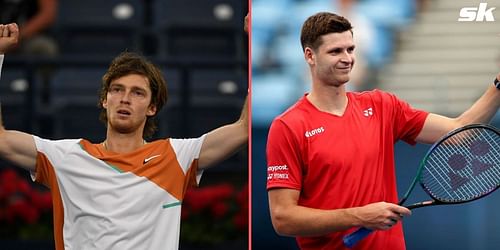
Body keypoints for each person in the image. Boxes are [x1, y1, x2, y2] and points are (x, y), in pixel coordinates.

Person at [0, 22, 248, 250]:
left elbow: (243, 128)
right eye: (117, 89)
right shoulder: (65, 157)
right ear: (104, 100)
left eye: (138, 93)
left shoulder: (176, 156)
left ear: (152, 108)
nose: (125, 98)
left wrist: (252, 43)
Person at [266, 12, 499, 250]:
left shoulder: (382, 106)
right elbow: (283, 218)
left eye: (350, 49)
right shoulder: (288, 127)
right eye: (335, 52)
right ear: (310, 56)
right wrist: (359, 216)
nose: (347, 58)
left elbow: (459, 131)